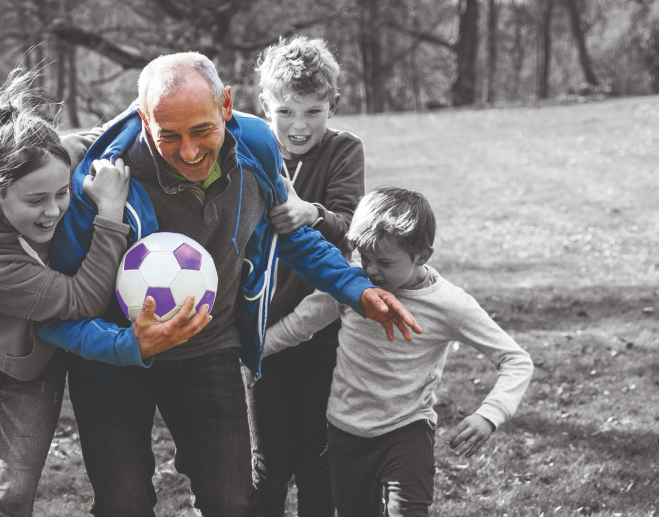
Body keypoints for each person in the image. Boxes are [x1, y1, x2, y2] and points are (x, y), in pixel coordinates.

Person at [36, 52, 421, 517]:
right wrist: (127, 344)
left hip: (209, 347)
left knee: (232, 502)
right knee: (124, 504)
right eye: (168, 135)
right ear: (142, 119)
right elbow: (54, 317)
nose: (189, 152)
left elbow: (290, 235)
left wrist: (355, 288)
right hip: (111, 360)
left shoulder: (257, 146)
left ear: (226, 105)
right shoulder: (97, 185)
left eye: (202, 130)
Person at [0, 68, 136, 517]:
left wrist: (155, 101)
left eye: (61, 193)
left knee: (12, 497)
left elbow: (112, 132)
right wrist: (110, 213)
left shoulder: (52, 159)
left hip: (37, 360)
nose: (53, 211)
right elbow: (81, 300)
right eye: (35, 200)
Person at [264, 187, 533, 516]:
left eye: (384, 262)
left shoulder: (450, 305)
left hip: (408, 430)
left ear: (422, 256)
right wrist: (246, 355)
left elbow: (515, 360)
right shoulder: (351, 283)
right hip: (345, 431)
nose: (371, 270)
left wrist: (490, 415)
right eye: (365, 257)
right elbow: (299, 324)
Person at [250, 36, 366, 517]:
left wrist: (310, 213)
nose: (299, 126)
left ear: (332, 105)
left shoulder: (344, 150)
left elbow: (350, 227)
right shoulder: (249, 149)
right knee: (270, 464)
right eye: (286, 112)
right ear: (265, 105)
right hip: (262, 336)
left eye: (313, 112)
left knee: (319, 464)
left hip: (322, 337)